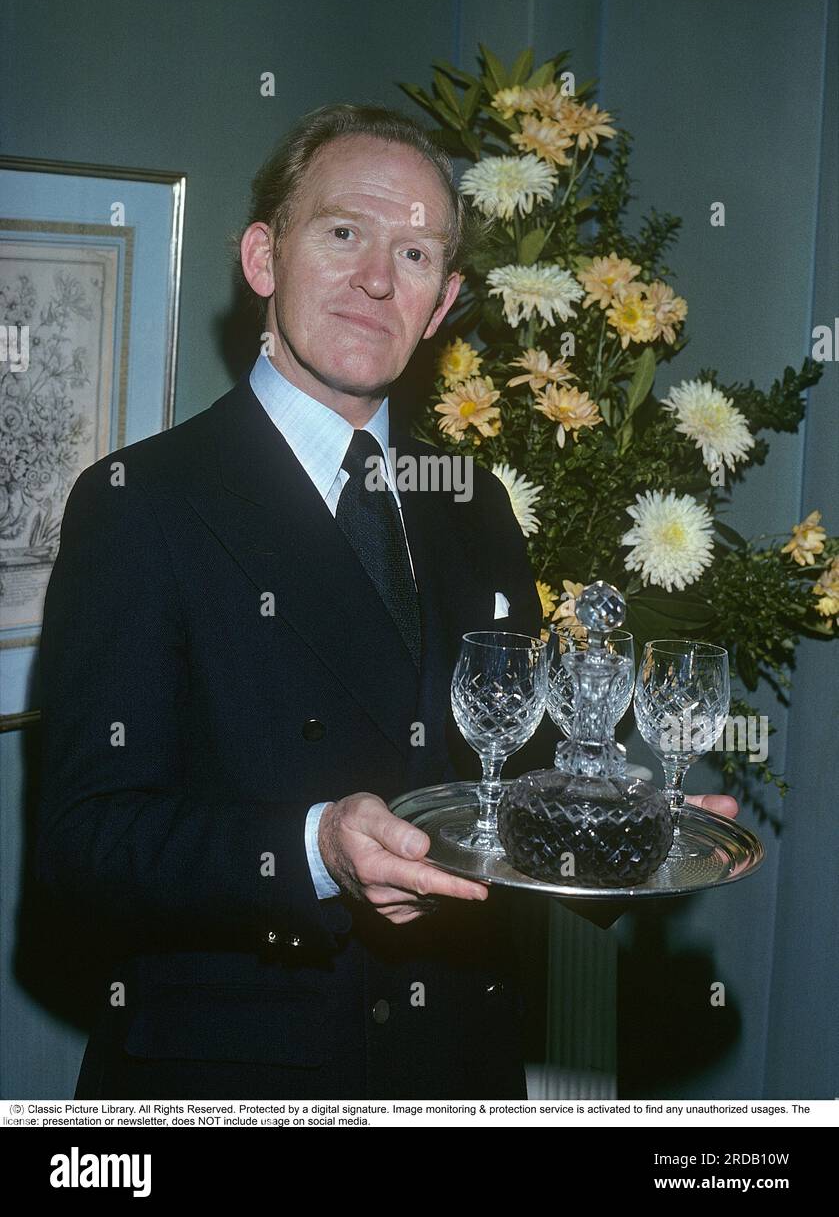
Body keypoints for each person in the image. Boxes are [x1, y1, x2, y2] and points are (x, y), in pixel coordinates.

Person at [36, 103, 738, 1100]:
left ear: (443, 302)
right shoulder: (141, 504)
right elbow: (84, 840)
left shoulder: (473, 504)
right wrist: (314, 848)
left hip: (455, 1065)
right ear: (261, 257)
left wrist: (626, 829)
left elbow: (503, 777)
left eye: (413, 254)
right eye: (342, 234)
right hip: (244, 1074)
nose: (376, 278)